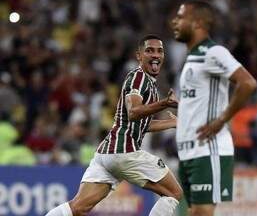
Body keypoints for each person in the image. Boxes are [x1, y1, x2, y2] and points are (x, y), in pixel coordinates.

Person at [45, 35, 183, 216]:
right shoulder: (139, 78)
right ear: (139, 56)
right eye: (149, 50)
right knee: (174, 192)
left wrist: (171, 123)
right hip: (124, 152)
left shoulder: (147, 82)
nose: (155, 54)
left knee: (78, 207)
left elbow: (141, 124)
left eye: (159, 51)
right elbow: (134, 112)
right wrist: (164, 103)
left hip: (107, 154)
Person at [171, 1, 257, 216]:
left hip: (208, 149)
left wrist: (221, 120)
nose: (175, 21)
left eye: (181, 17)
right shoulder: (192, 57)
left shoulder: (213, 52)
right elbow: (202, 101)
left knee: (202, 213)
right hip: (188, 151)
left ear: (198, 23)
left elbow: (247, 83)